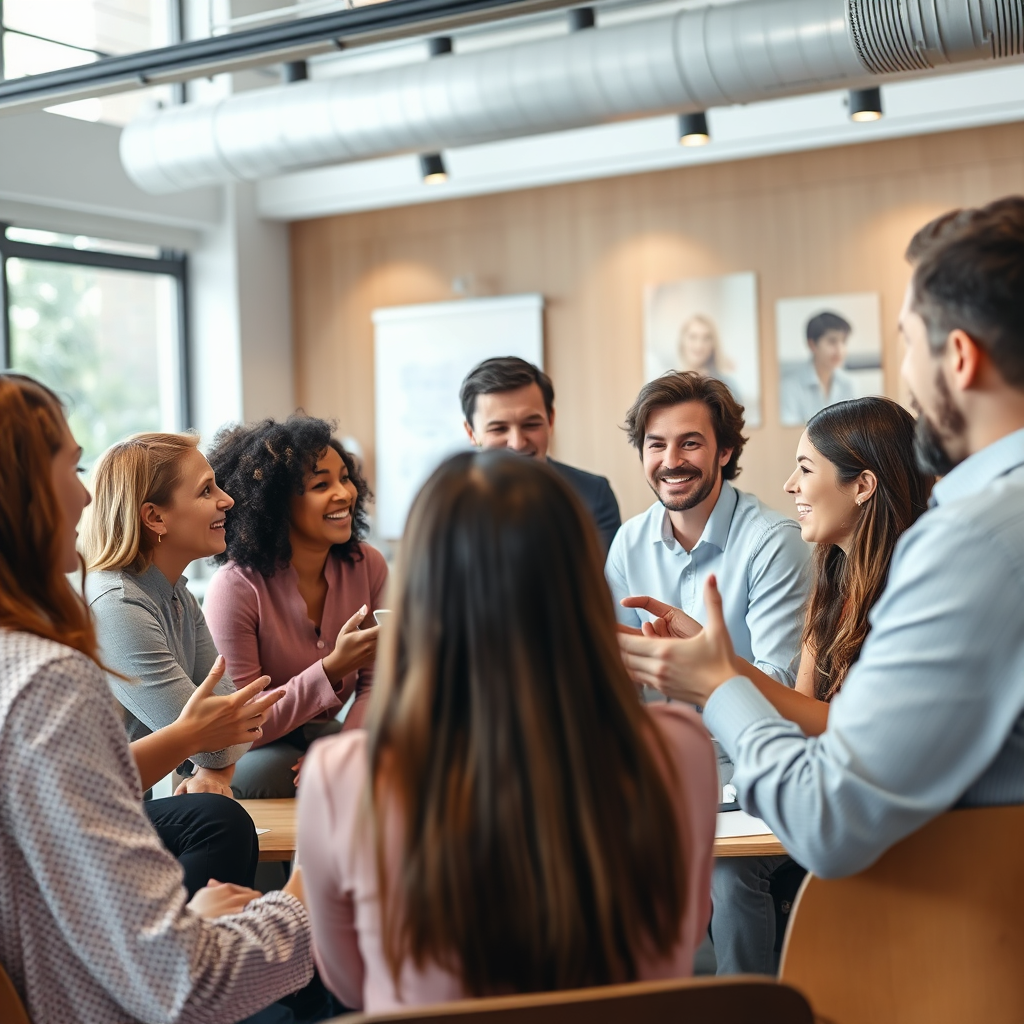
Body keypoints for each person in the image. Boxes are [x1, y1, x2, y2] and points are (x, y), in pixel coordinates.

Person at [617, 196, 1024, 881]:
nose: (905, 380)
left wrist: (718, 686)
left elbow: (827, 819)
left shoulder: (975, 541)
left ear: (957, 357)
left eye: (905, 342)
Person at [296, 451, 718, 1012]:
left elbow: (348, 981)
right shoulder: (680, 748)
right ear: (578, 580)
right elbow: (687, 935)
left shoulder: (343, 773)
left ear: (423, 594)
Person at [0, 372, 313, 1024]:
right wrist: (307, 890)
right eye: (71, 467)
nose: (85, 496)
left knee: (225, 813)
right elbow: (180, 983)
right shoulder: (54, 670)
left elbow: (231, 718)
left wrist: (212, 749)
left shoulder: (171, 596)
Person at [605, 369, 810, 976]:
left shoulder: (774, 541)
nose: (672, 460)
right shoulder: (627, 544)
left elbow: (778, 684)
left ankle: (743, 1009)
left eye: (690, 443)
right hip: (661, 763)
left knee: (725, 868)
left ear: (724, 450)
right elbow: (621, 676)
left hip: (753, 762)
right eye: (656, 444)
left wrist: (703, 659)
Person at [204, 415, 388, 799]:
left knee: (393, 760)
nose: (344, 494)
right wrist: (332, 668)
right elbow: (242, 723)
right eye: (321, 484)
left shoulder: (367, 565)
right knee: (274, 776)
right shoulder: (235, 587)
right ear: (275, 504)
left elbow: (378, 685)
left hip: (322, 732)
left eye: (345, 478)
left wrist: (344, 749)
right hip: (252, 745)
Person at [83, 433, 253, 801]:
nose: (227, 499)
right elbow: (216, 740)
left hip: (129, 810)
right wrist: (215, 756)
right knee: (217, 820)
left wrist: (212, 770)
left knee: (216, 812)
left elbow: (235, 723)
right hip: (93, 822)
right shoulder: (116, 605)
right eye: (207, 491)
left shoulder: (179, 595)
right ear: (155, 517)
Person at [460, 356, 621, 552]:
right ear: (471, 433)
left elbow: (598, 580)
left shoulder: (592, 496)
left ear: (550, 421)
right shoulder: (452, 504)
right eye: (499, 429)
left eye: (531, 425)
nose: (517, 443)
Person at [779, 311, 858, 426]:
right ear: (812, 344)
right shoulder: (789, 387)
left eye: (844, 341)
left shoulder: (849, 383)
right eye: (832, 341)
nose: (840, 350)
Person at [677, 314, 741, 398]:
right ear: (682, 341)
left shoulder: (728, 386)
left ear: (713, 345)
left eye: (706, 338)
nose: (699, 345)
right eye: (693, 337)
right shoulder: (670, 385)